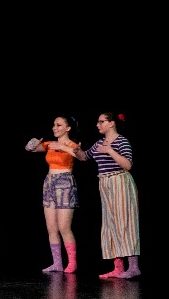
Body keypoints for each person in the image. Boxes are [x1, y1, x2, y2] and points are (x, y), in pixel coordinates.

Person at [75, 112, 140, 280]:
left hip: (120, 181)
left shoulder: (122, 141)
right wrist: (78, 151)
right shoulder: (99, 143)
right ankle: (118, 267)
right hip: (104, 183)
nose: (98, 125)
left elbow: (128, 165)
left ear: (111, 123)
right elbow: (84, 157)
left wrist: (110, 150)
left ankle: (133, 267)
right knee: (110, 224)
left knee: (125, 223)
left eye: (101, 121)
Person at [25, 116, 81, 274]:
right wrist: (33, 143)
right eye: (54, 125)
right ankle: (57, 263)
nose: (54, 127)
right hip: (49, 183)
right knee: (51, 227)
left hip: (65, 183)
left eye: (59, 125)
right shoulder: (50, 144)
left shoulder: (72, 145)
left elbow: (80, 156)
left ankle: (72, 262)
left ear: (68, 128)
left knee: (64, 226)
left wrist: (63, 147)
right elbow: (29, 148)